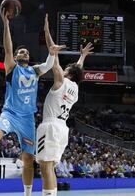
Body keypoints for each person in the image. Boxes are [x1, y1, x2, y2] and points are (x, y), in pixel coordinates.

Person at [0, 7, 65, 196]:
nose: (24, 53)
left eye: (26, 53)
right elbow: (8, 47)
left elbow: (48, 65)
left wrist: (52, 53)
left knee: (28, 159)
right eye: (21, 52)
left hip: (27, 119)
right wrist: (6, 23)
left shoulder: (34, 71)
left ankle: (27, 194)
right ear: (15, 57)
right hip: (10, 114)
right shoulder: (12, 68)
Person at [35, 14, 93, 196]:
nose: (64, 69)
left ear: (67, 73)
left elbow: (54, 55)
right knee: (49, 166)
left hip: (50, 125)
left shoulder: (60, 80)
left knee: (45, 166)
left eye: (66, 69)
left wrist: (46, 31)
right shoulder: (74, 88)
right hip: (62, 129)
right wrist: (82, 56)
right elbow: (77, 68)